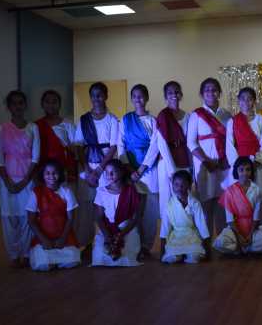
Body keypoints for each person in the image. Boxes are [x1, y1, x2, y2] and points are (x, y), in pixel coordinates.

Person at [0, 90, 40, 267]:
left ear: (25, 105)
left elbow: (36, 157)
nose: (17, 106)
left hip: (27, 180)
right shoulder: (1, 129)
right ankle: (14, 255)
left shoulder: (33, 128)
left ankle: (27, 253)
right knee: (9, 218)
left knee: (27, 217)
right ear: (9, 106)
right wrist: (8, 183)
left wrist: (25, 181)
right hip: (7, 181)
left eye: (21, 102)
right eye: (14, 103)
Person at [74, 82, 119, 247]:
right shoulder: (84, 120)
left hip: (106, 169)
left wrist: (99, 170)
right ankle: (86, 243)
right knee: (86, 208)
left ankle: (107, 241)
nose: (96, 98)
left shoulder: (112, 119)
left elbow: (113, 147)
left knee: (105, 206)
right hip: (87, 168)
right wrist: (87, 170)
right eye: (93, 95)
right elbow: (78, 145)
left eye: (99, 95)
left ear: (106, 96)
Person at [187, 77, 232, 235]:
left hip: (224, 165)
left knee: (222, 203)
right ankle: (205, 241)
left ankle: (222, 240)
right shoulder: (196, 115)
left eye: (214, 90)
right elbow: (191, 143)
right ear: (201, 94)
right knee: (205, 203)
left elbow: (231, 140)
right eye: (207, 90)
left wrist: (228, 160)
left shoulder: (226, 114)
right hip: (204, 165)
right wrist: (206, 161)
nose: (211, 93)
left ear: (219, 93)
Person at [119, 84, 159, 255]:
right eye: (134, 96)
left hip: (149, 170)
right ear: (131, 99)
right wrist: (129, 168)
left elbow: (155, 146)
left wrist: (141, 168)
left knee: (150, 210)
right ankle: (133, 244)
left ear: (147, 98)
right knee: (133, 209)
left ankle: (146, 246)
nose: (138, 99)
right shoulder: (125, 120)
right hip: (130, 171)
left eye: (141, 96)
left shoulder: (153, 121)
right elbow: (120, 144)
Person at [26, 160, 81, 271]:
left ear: (60, 174)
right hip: (43, 236)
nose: (51, 176)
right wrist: (44, 239)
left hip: (63, 235)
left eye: (55, 173)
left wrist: (63, 238)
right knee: (41, 264)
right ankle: (54, 261)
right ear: (42, 175)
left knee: (73, 260)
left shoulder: (66, 191)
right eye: (47, 173)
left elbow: (70, 219)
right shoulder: (36, 192)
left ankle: (54, 261)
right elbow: (31, 220)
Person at [92, 159, 144, 267]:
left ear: (121, 172)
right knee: (99, 258)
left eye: (113, 172)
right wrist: (106, 235)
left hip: (126, 229)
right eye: (107, 173)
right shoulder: (101, 191)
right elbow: (99, 217)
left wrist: (122, 234)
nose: (109, 175)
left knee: (127, 257)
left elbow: (135, 218)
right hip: (108, 229)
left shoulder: (130, 190)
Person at [214, 157, 262, 255]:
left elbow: (256, 217)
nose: (245, 173)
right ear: (236, 171)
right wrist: (239, 236)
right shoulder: (230, 191)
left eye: (248, 170)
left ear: (251, 171)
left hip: (251, 227)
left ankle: (241, 248)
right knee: (220, 242)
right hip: (234, 228)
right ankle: (244, 247)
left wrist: (250, 234)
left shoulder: (256, 189)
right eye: (241, 170)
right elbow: (230, 219)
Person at [153, 81, 192, 219]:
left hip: (184, 160)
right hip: (167, 164)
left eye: (177, 92)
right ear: (165, 96)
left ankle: (184, 230)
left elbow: (189, 142)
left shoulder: (187, 116)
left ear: (181, 94)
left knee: (184, 198)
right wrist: (172, 170)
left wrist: (191, 166)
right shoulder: (163, 115)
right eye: (170, 93)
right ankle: (167, 231)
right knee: (167, 200)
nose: (174, 95)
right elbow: (162, 144)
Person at [225, 87, 262, 199]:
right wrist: (238, 165)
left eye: (249, 98)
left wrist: (257, 160)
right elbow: (230, 145)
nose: (246, 101)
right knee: (239, 198)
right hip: (239, 164)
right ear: (238, 101)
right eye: (243, 98)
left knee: (258, 197)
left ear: (254, 101)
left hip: (256, 163)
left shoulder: (261, 120)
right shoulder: (232, 121)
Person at [160, 170, 211, 264]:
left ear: (189, 185)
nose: (179, 188)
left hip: (192, 235)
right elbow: (165, 228)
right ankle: (179, 255)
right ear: (172, 185)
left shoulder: (195, 203)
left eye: (183, 185)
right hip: (176, 236)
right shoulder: (168, 205)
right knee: (172, 258)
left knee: (194, 257)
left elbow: (201, 225)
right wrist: (162, 251)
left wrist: (207, 248)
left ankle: (188, 254)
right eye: (176, 184)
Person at [35, 90, 77, 185]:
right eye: (47, 102)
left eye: (54, 102)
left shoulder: (67, 124)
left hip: (63, 169)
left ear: (59, 104)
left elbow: (75, 149)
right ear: (42, 104)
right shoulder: (36, 126)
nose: (51, 105)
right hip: (44, 170)